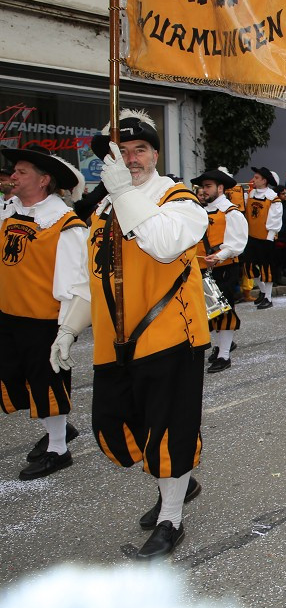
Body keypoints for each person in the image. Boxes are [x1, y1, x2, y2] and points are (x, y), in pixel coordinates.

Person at [55, 109, 209, 558]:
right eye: (121, 152)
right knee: (114, 425)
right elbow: (91, 277)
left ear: (156, 153)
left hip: (169, 336)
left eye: (139, 149)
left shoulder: (178, 198)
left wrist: (124, 192)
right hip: (114, 341)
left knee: (168, 431)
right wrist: (68, 329)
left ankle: (171, 517)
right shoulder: (103, 207)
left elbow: (163, 244)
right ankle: (177, 480)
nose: (130, 158)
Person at [0, 145, 88, 480]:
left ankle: (58, 449)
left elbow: (72, 283)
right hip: (9, 314)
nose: (13, 177)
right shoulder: (9, 211)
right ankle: (60, 431)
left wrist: (65, 329)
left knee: (47, 384)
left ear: (44, 180)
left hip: (42, 320)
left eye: (22, 172)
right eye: (14, 171)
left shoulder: (66, 225)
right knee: (16, 379)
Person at [192, 168, 248, 373]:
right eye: (202, 187)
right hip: (200, 267)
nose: (204, 191)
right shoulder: (199, 210)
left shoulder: (231, 212)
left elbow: (238, 242)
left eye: (208, 187)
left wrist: (220, 255)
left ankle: (224, 354)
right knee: (209, 309)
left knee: (223, 309)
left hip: (223, 267)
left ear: (220, 188)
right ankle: (221, 346)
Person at [243, 166, 282, 310]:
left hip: (266, 238)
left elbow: (275, 220)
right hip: (251, 236)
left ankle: (268, 297)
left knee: (267, 269)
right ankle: (263, 290)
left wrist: (269, 237)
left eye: (257, 178)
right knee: (249, 267)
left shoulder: (273, 198)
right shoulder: (251, 193)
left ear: (264, 181)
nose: (253, 180)